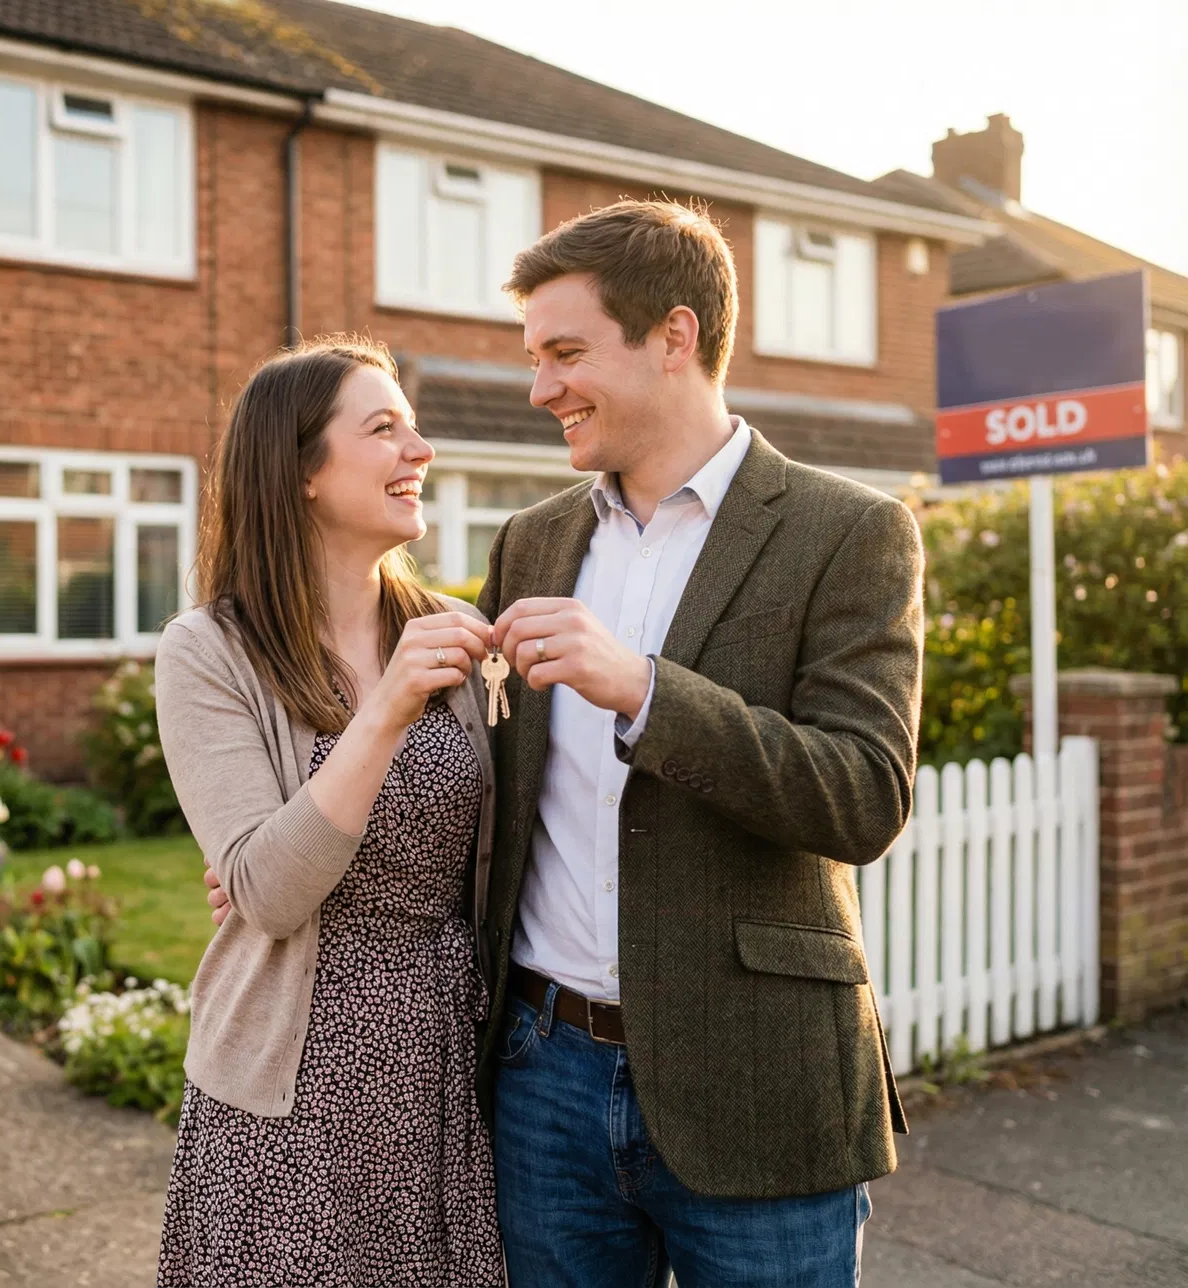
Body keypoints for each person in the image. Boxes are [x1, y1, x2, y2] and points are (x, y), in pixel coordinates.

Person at [207, 201, 924, 1287]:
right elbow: (467, 780)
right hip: (542, 1077)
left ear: (674, 338)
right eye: (535, 357)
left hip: (759, 1075)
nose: (542, 387)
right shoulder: (531, 541)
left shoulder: (848, 530)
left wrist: (643, 688)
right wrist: (268, 858)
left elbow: (865, 794)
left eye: (567, 353)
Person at [153, 337, 506, 1287]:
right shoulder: (208, 653)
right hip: (290, 1090)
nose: (420, 450)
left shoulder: (449, 633)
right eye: (385, 428)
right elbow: (268, 892)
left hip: (446, 1074)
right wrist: (385, 709)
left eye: (414, 427)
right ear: (302, 470)